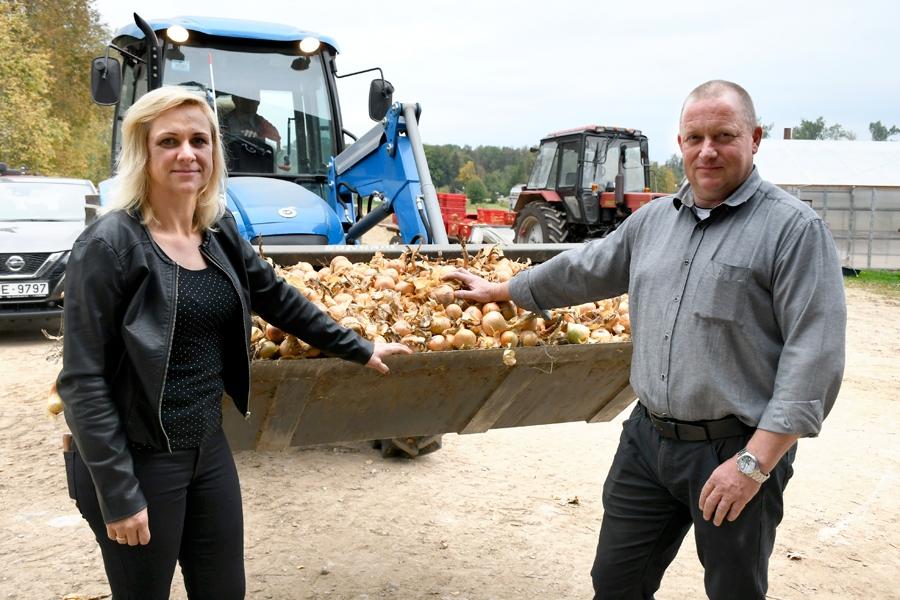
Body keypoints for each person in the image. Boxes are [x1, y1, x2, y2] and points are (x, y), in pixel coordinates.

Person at [444, 80, 846, 599]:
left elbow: (814, 356)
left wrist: (754, 464)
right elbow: (586, 268)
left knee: (734, 590)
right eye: (695, 136)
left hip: (734, 448)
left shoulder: (792, 230)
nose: (708, 150)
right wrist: (504, 288)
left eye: (724, 135)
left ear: (755, 138)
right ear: (679, 142)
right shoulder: (655, 220)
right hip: (647, 442)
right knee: (615, 583)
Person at [56, 86, 411, 599]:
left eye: (199, 140)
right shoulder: (108, 246)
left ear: (214, 152)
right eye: (169, 141)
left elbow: (276, 297)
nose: (186, 153)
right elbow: (82, 381)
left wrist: (359, 346)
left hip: (206, 448)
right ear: (144, 151)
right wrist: (117, 492)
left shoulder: (217, 229)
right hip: (136, 458)